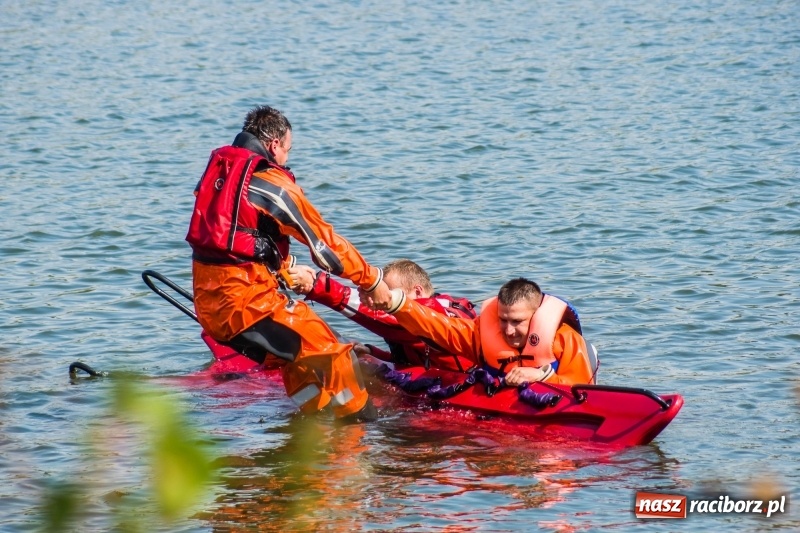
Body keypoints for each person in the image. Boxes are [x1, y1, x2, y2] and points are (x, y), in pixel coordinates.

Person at [185, 105, 392, 422]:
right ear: (274, 145)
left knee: (297, 356)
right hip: (247, 308)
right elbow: (326, 245)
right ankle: (361, 429)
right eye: (287, 150)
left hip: (210, 308)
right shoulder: (271, 184)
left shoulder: (220, 175)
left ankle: (310, 424)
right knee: (334, 351)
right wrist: (372, 281)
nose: (286, 159)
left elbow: (236, 243)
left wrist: (283, 269)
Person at [363, 277, 597, 386]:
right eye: (503, 320)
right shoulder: (482, 334)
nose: (508, 330)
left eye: (517, 321)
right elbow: (438, 327)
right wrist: (395, 304)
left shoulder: (565, 339)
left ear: (536, 316)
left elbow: (583, 389)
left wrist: (540, 376)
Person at [290, 259, 478, 372]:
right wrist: (373, 352)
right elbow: (413, 358)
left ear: (418, 291)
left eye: (390, 294)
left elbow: (387, 319)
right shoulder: (418, 321)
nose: (383, 300)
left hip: (468, 382)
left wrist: (315, 285)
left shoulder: (435, 312)